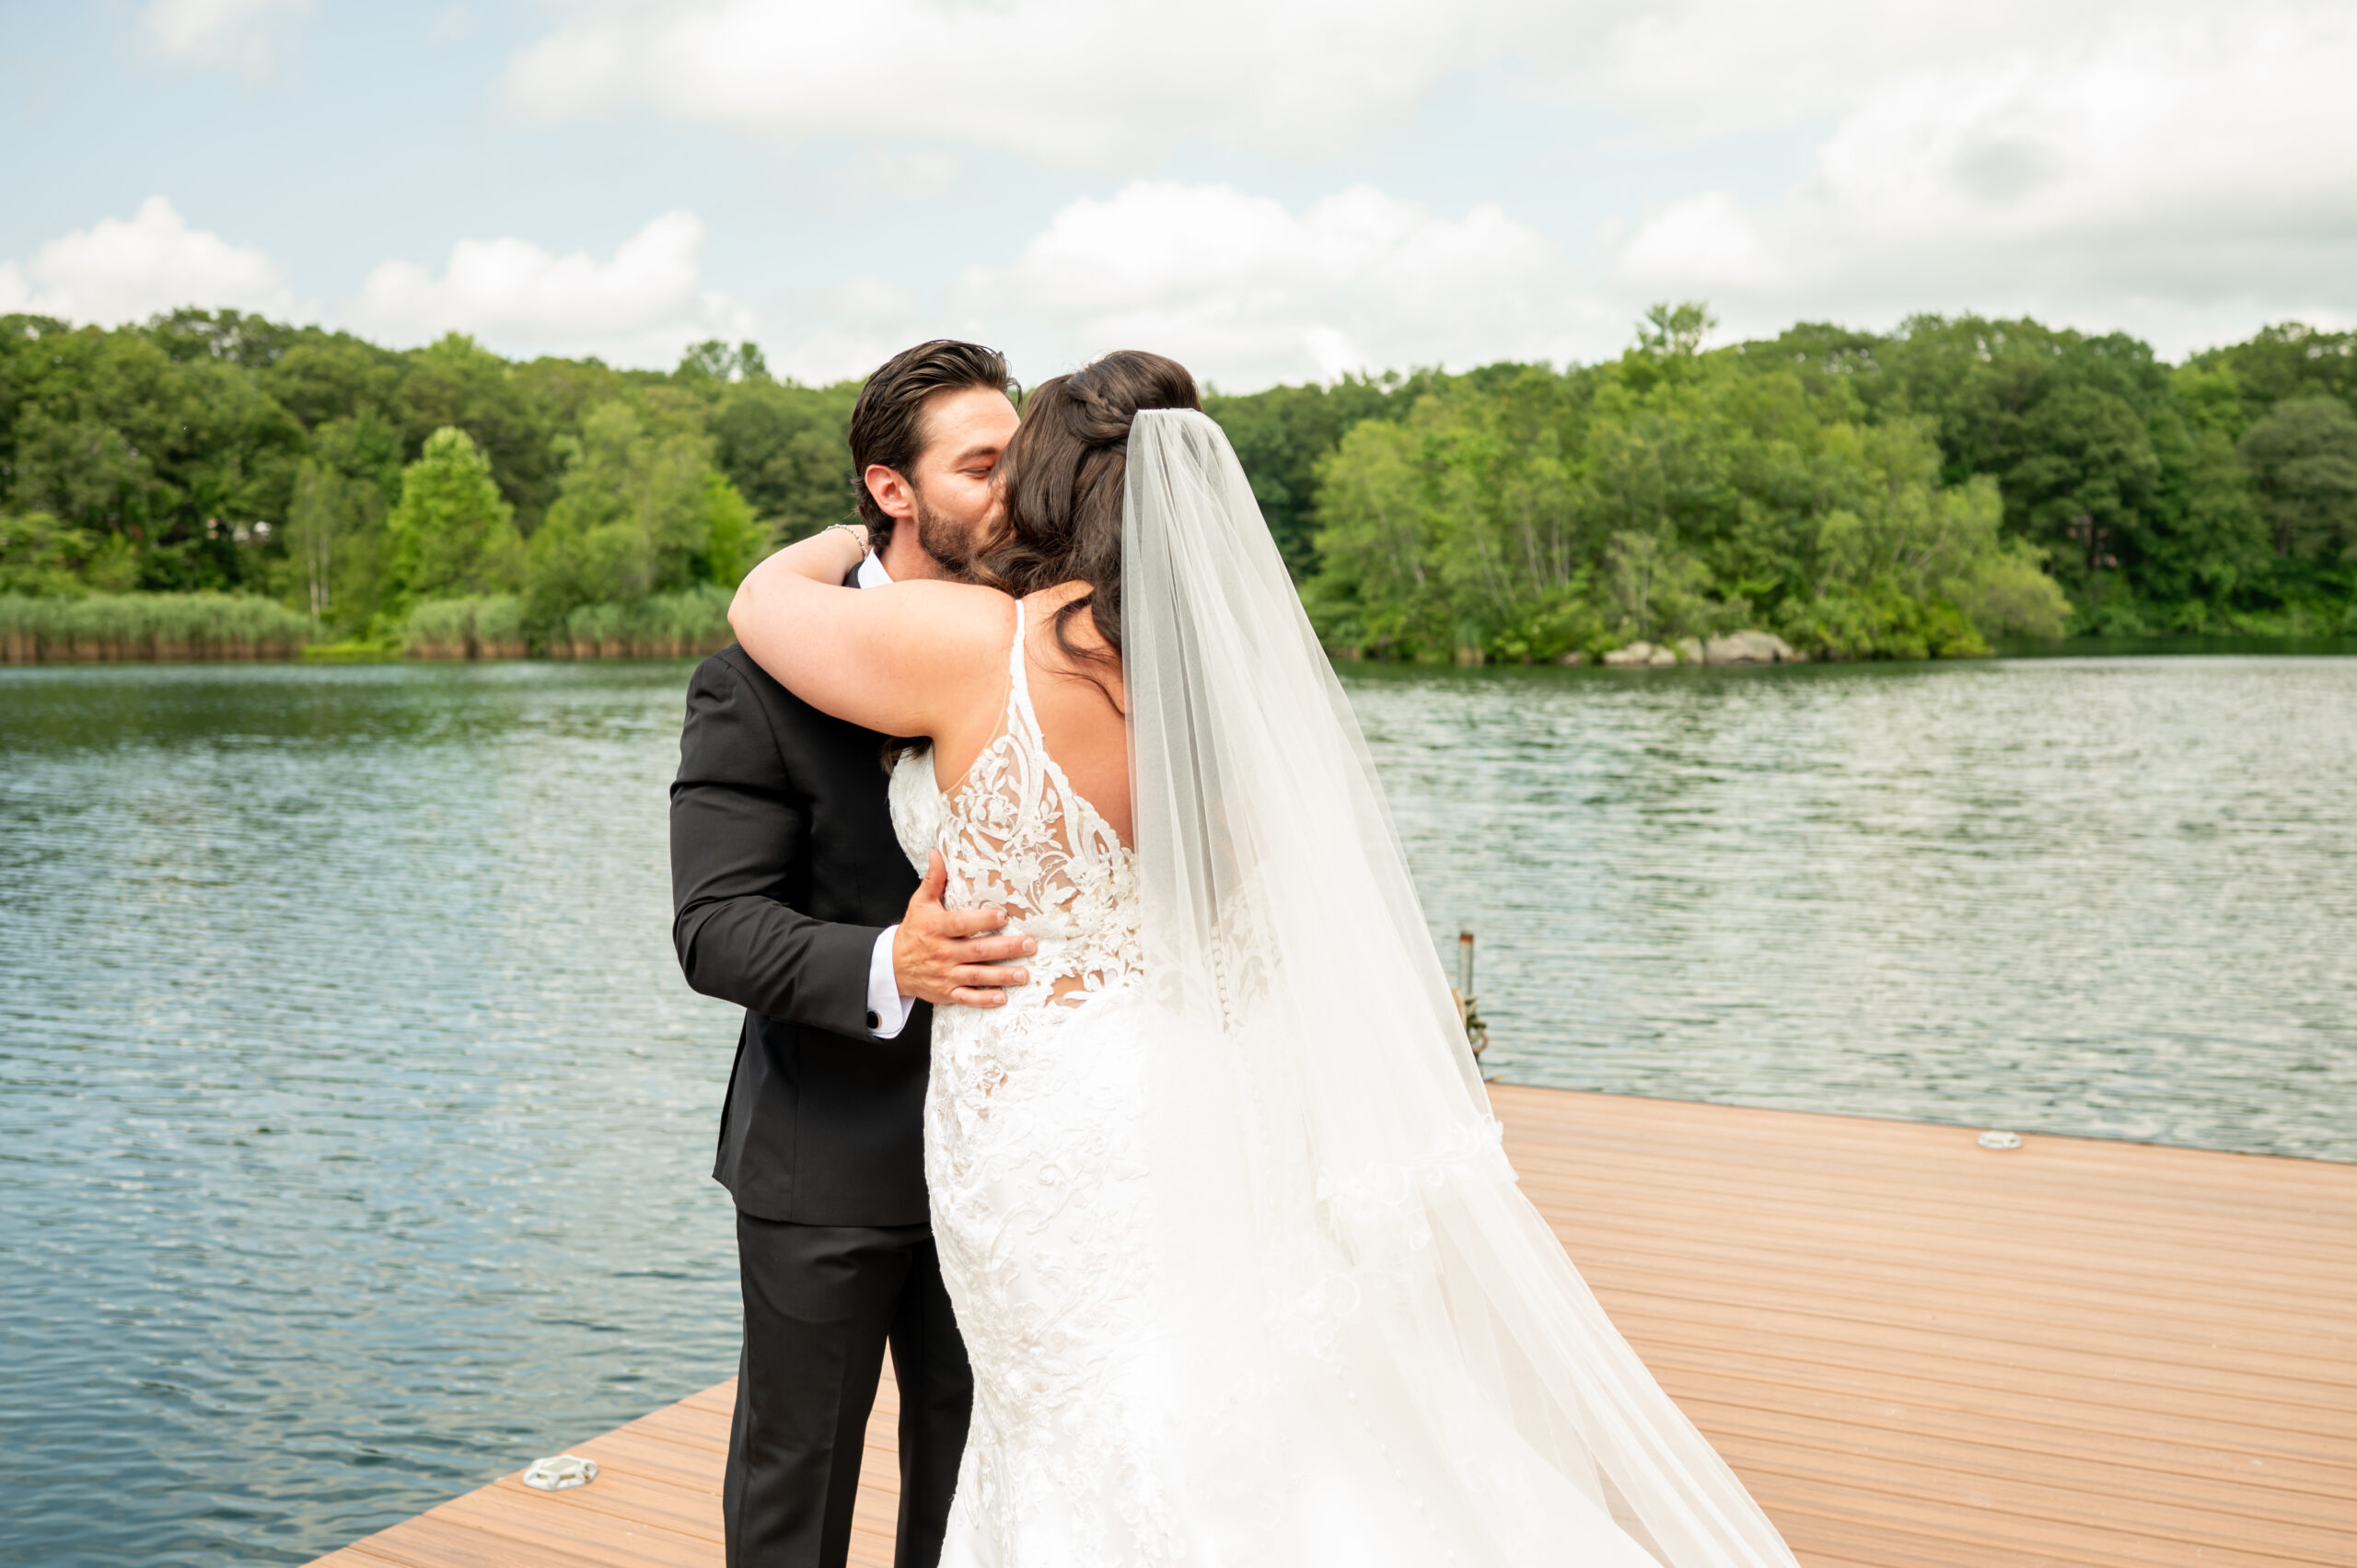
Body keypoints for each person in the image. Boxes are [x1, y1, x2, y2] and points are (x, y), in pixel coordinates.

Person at [726, 351, 1801, 1567]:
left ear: (1051, 485)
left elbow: (761, 604)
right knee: (1236, 1398)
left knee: (1092, 1420)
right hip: (1215, 1088)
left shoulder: (979, 642)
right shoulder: (1227, 684)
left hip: (1050, 1117)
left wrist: (848, 533)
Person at [668, 340, 1030, 1568]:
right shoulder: (753, 685)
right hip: (823, 1159)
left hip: (1013, 1158)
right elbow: (715, 925)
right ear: (892, 490)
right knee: (798, 1485)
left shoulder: (1045, 655)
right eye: (981, 465)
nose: (1014, 489)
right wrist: (890, 962)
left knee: (978, 1483)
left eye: (1021, 459)